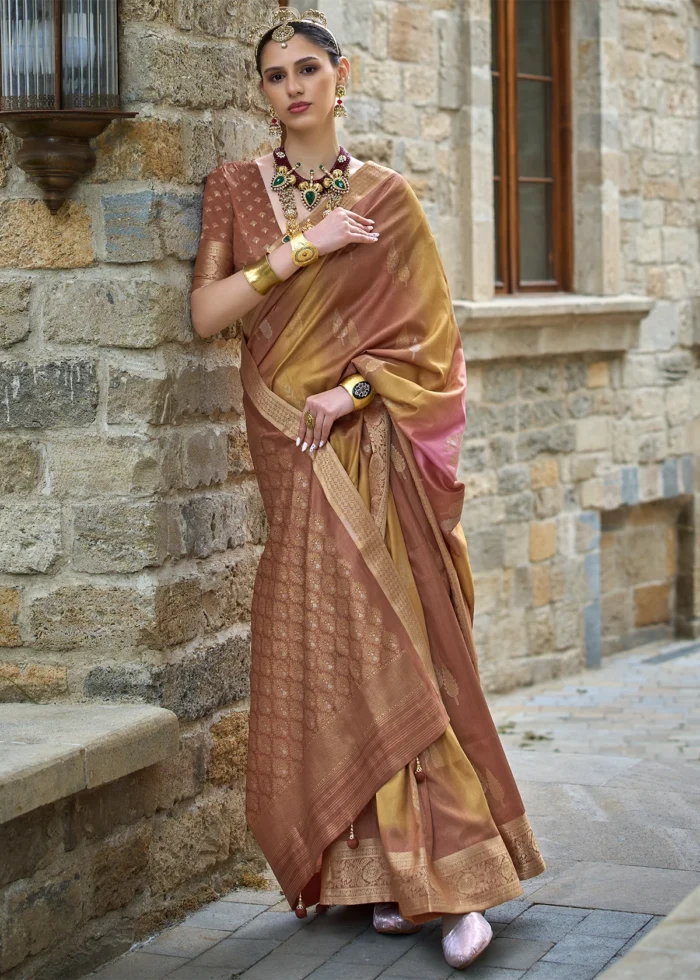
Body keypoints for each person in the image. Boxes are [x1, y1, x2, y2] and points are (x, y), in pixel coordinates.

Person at [190, 6, 546, 970]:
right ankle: (378, 874)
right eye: (275, 75)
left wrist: (355, 392)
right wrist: (306, 246)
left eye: (308, 68)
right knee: (329, 647)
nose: (293, 87)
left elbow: (434, 348)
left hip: (361, 442)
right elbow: (208, 312)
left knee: (396, 642)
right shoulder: (235, 188)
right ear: (261, 92)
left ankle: (455, 881)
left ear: (340, 77)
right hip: (281, 439)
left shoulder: (388, 196)